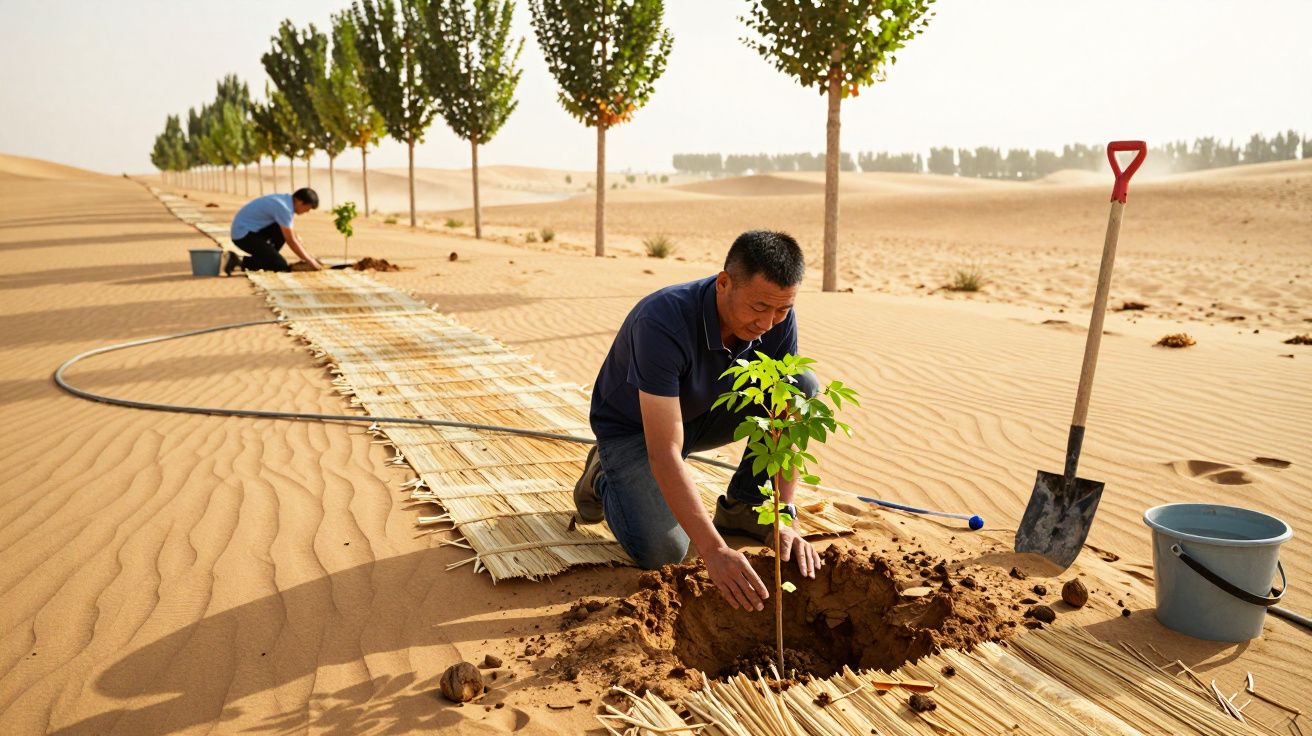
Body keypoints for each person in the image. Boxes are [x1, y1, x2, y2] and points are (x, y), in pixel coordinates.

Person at [575, 230, 821, 612]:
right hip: (637, 432)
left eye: (782, 310)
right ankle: (604, 475)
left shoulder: (775, 318)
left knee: (799, 386)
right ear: (724, 283)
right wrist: (716, 550)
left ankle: (746, 504)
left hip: (704, 413)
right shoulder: (661, 321)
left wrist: (784, 517)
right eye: (759, 307)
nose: (769, 322)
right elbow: (665, 451)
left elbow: (782, 419)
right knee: (665, 553)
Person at [224, 188, 324, 275]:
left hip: (251, 231)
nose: (307, 211)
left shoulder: (285, 201)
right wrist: (310, 260)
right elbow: (291, 241)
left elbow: (288, 231)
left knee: (283, 232)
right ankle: (240, 261)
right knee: (280, 265)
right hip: (243, 236)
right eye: (308, 208)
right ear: (299, 201)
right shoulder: (284, 208)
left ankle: (269, 258)